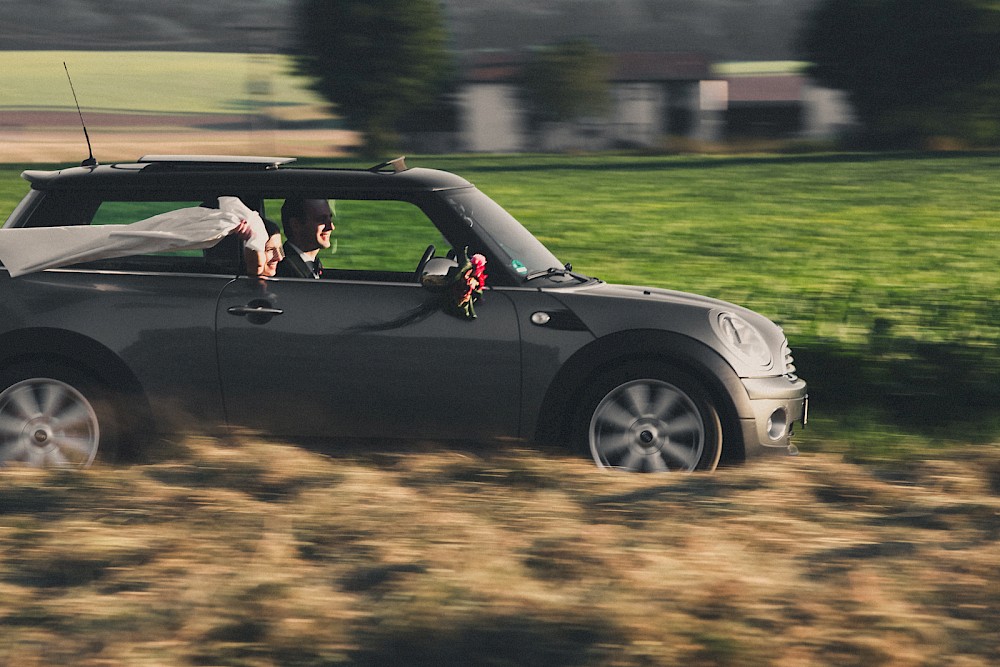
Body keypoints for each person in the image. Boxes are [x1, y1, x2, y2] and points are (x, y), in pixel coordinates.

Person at [275, 198, 334, 279]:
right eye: (321, 220)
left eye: (330, 218)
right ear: (295, 225)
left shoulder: (313, 265)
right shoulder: (284, 270)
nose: (331, 227)